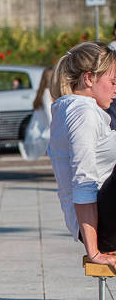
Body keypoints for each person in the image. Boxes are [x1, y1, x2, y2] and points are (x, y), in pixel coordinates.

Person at [47, 41, 116, 272]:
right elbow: (83, 181)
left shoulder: (75, 109)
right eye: (113, 82)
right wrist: (94, 252)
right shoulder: (82, 112)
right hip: (101, 225)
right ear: (88, 78)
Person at [18, 67, 53, 161]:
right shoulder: (47, 93)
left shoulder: (44, 92)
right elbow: (50, 117)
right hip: (40, 134)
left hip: (39, 131)